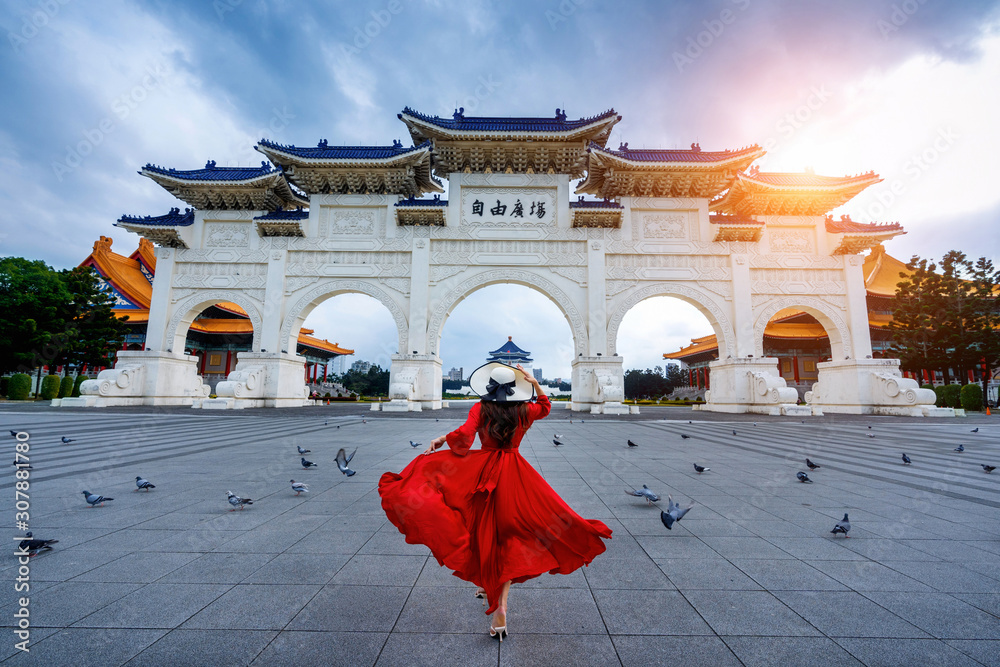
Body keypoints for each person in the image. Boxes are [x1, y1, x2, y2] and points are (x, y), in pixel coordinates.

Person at [378, 361, 612, 641]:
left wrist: (442, 439)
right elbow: (547, 406)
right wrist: (535, 383)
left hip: (482, 471)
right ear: (516, 388)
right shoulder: (525, 409)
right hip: (516, 473)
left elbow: (465, 436)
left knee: (480, 526)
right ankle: (499, 604)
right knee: (510, 534)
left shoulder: (481, 407)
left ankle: (493, 592)